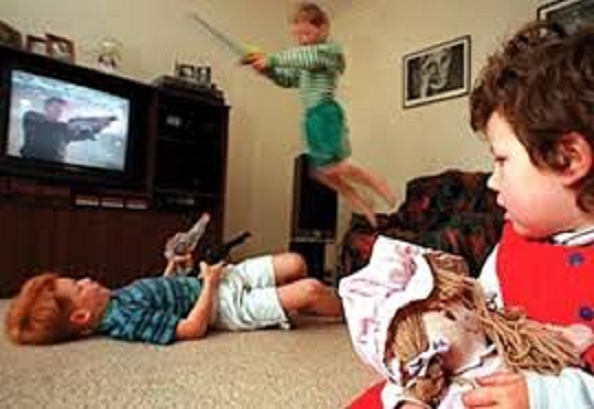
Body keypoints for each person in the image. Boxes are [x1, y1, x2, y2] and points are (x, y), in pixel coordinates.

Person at [346, 21, 594, 409]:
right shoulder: (512, 245)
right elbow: (480, 320)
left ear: (568, 158)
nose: (492, 181)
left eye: (502, 160)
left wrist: (548, 397)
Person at [249, 2, 395, 228]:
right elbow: (287, 80)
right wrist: (267, 70)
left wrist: (272, 59)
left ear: (323, 28)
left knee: (333, 167)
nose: (302, 40)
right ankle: (360, 203)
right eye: (298, 36)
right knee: (321, 173)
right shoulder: (305, 60)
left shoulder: (328, 52)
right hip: (312, 118)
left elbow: (308, 57)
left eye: (306, 33)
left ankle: (375, 181)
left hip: (324, 113)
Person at [5, 251, 343, 345]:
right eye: (79, 288)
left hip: (214, 282)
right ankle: (352, 311)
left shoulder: (112, 299)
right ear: (81, 317)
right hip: (224, 307)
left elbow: (161, 297)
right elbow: (191, 328)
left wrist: (173, 269)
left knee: (295, 262)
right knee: (311, 288)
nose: (86, 280)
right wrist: (210, 284)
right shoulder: (124, 322)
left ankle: (293, 306)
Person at [20, 97, 115, 163]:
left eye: (61, 109)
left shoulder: (64, 129)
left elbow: (83, 135)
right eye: (55, 107)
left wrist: (99, 127)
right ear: (46, 107)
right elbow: (49, 126)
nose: (59, 111)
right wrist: (75, 124)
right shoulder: (31, 117)